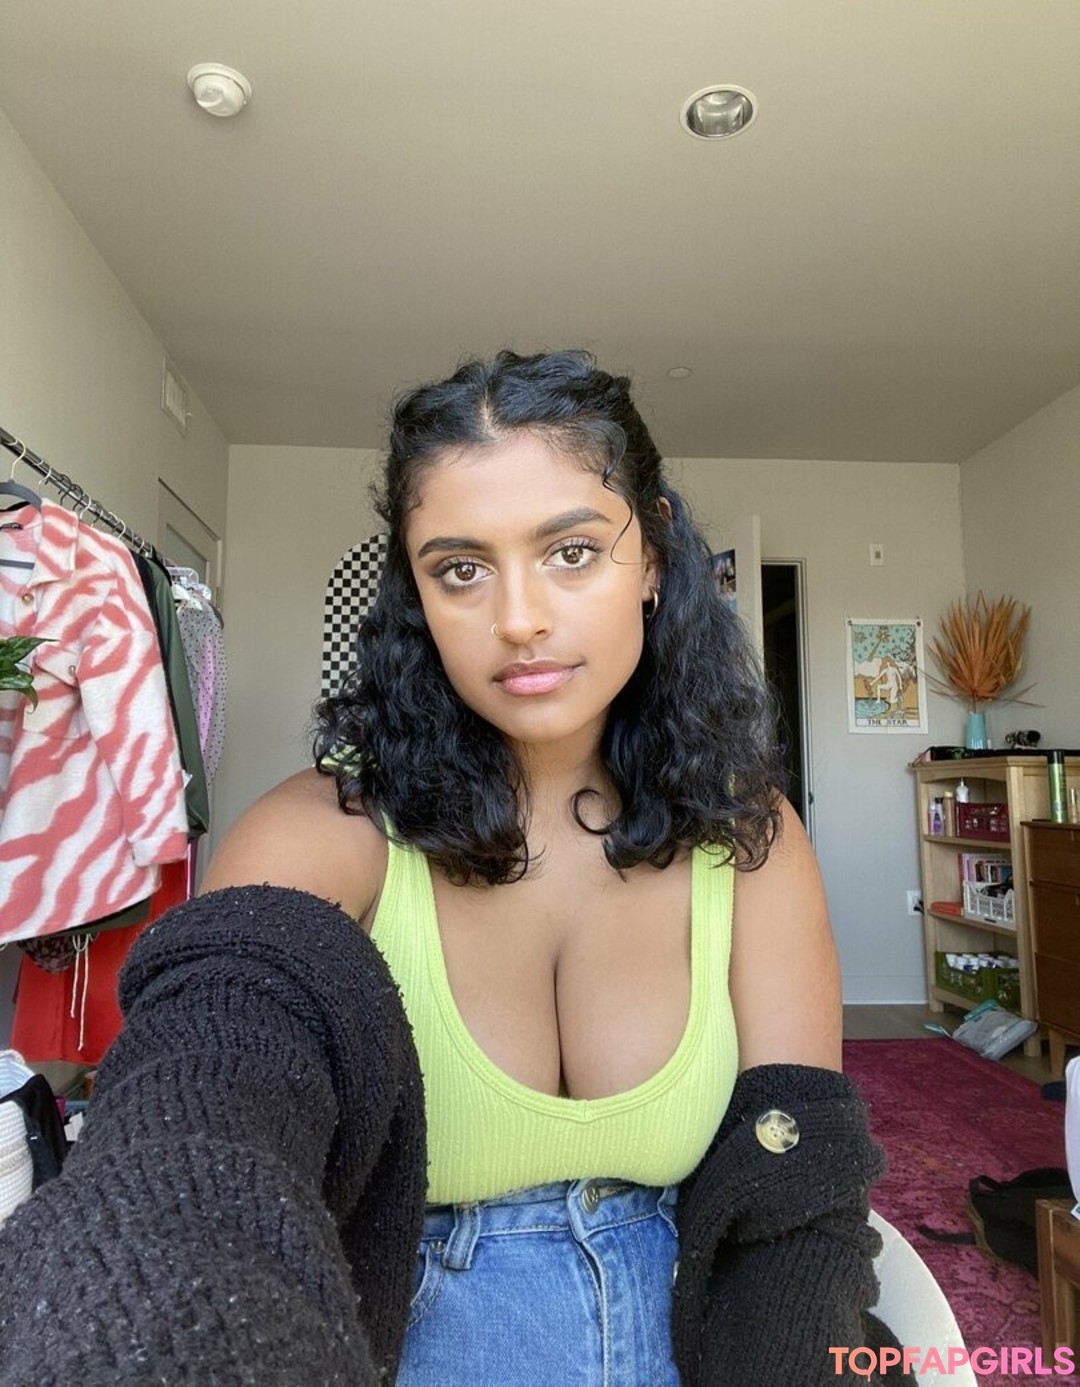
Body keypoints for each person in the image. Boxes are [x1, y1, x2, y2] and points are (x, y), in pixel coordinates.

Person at [0, 349, 904, 1386]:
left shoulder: (749, 836)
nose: (518, 617)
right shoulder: (320, 836)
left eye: (571, 551)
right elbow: (197, 1128)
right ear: (416, 593)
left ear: (653, 556)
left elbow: (797, 1197)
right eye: (460, 569)